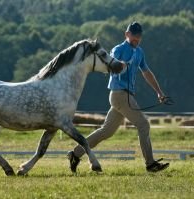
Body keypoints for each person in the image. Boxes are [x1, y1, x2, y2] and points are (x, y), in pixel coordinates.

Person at [67, 21, 169, 173]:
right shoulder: (119, 49)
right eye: (134, 36)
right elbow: (111, 63)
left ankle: (75, 154)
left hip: (125, 96)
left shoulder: (140, 52)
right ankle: (150, 164)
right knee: (143, 124)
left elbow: (146, 72)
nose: (137, 39)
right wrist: (121, 64)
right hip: (119, 95)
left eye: (139, 37)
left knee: (106, 131)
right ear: (127, 34)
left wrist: (159, 92)